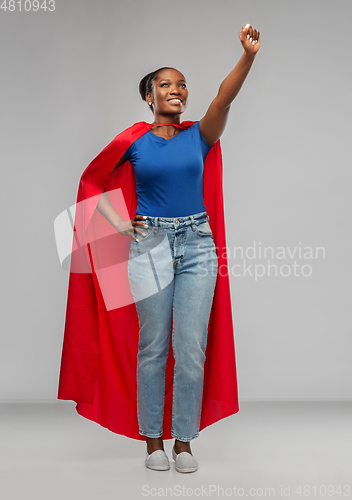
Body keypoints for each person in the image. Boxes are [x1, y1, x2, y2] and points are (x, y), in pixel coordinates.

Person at [57, 23, 260, 473]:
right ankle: (153, 441)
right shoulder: (133, 141)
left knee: (190, 347)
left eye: (182, 84)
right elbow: (92, 183)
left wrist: (247, 56)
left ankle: (183, 442)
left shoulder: (199, 136)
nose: (176, 90)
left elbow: (223, 99)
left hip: (198, 244)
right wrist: (121, 223)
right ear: (149, 97)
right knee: (152, 346)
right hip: (150, 245)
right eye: (165, 84)